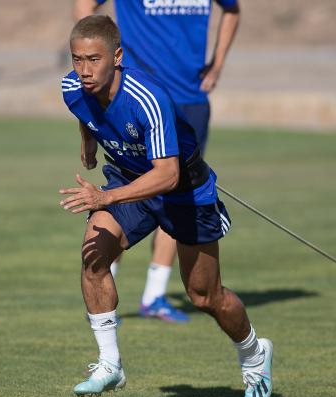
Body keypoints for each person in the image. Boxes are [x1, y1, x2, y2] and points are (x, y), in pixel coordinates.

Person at [59, 15, 273, 397]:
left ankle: (254, 352)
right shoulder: (72, 86)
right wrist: (89, 145)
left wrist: (106, 198)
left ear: (117, 56)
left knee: (205, 296)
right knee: (93, 255)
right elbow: (85, 111)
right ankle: (110, 364)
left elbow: (169, 174)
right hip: (130, 183)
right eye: (77, 59)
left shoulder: (147, 97)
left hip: (184, 191)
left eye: (94, 59)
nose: (84, 70)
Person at [73, 0, 241, 323]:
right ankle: (106, 282)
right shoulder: (98, 78)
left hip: (187, 98)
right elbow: (84, 8)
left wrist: (217, 64)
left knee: (174, 187)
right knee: (130, 183)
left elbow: (232, 10)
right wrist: (97, 58)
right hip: (131, 95)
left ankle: (155, 292)